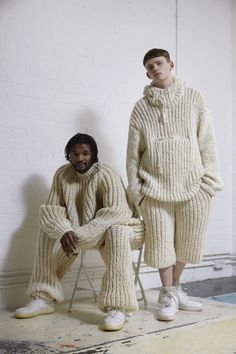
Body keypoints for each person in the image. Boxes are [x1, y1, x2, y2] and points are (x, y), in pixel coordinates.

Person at [126, 48, 222, 322]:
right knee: (160, 245)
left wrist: (210, 182)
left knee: (187, 244)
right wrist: (137, 192)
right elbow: (133, 154)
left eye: (159, 63)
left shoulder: (194, 98)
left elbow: (207, 141)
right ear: (147, 73)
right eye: (149, 66)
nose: (155, 68)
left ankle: (175, 288)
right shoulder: (140, 107)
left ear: (170, 64)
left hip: (193, 186)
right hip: (154, 189)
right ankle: (167, 293)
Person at [15, 133, 145, 331]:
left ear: (93, 154)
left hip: (125, 228)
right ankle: (43, 297)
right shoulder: (62, 175)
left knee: (116, 232)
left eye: (85, 153)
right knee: (46, 230)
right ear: (69, 155)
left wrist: (78, 237)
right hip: (83, 233)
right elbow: (51, 211)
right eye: (74, 154)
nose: (80, 158)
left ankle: (119, 307)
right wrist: (64, 231)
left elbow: (117, 212)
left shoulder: (106, 172)